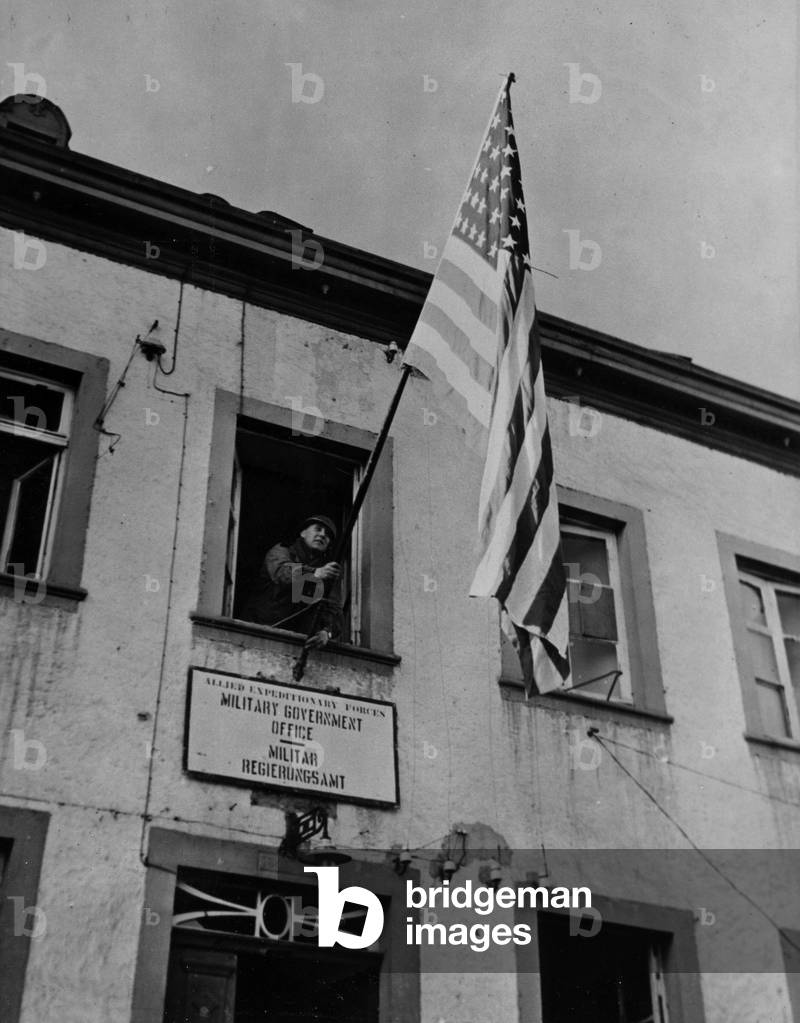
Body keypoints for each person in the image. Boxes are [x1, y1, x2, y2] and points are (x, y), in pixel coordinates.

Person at [242, 514, 342, 648]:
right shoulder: (281, 551)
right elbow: (281, 573)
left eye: (327, 534)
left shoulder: (326, 572)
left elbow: (334, 609)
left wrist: (326, 632)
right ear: (303, 533)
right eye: (318, 529)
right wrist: (314, 573)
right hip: (258, 632)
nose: (322, 535)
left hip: (296, 640)